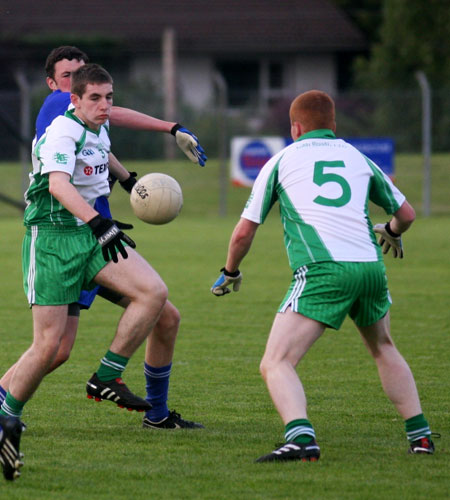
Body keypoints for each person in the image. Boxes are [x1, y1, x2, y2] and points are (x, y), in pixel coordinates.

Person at [211, 90, 437, 462]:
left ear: (295, 127)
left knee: (275, 362)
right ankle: (421, 436)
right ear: (333, 125)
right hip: (370, 268)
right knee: (383, 348)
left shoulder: (281, 160)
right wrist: (392, 232)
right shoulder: (357, 156)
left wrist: (230, 271)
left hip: (323, 270)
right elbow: (407, 214)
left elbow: (242, 232)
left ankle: (300, 438)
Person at [0, 63, 193, 481]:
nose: (105, 106)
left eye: (109, 97)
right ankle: (6, 417)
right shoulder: (61, 132)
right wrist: (98, 223)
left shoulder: (97, 127)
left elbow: (102, 153)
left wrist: (128, 181)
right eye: (95, 98)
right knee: (49, 346)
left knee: (154, 294)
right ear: (74, 99)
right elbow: (57, 185)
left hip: (89, 237)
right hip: (51, 240)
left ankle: (107, 375)